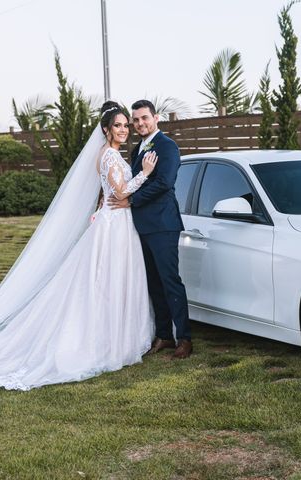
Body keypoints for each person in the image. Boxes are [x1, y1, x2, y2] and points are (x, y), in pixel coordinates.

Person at [0, 102, 157, 390]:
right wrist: (144, 173)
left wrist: (104, 205)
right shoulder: (108, 156)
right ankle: (103, 340)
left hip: (115, 223)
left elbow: (108, 193)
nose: (123, 129)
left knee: (111, 281)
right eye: (117, 125)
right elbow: (120, 191)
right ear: (106, 130)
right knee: (104, 282)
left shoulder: (112, 155)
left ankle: (117, 336)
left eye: (124, 125)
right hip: (113, 227)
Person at [108, 100, 192, 359]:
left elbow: (165, 183)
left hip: (163, 225)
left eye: (144, 118)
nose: (140, 123)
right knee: (153, 283)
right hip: (140, 225)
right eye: (136, 120)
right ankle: (164, 335)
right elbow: (133, 182)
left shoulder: (168, 147)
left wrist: (131, 200)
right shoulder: (137, 151)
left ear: (156, 118)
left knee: (170, 281)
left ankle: (184, 338)